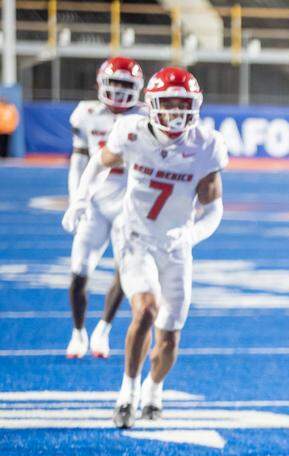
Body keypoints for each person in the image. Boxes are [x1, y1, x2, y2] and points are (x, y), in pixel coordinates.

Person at [63, 66, 228, 427]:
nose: (176, 112)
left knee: (169, 337)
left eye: (183, 104)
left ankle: (154, 389)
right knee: (146, 310)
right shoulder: (131, 131)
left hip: (175, 246)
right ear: (152, 104)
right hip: (134, 236)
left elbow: (214, 210)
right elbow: (99, 163)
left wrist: (191, 235)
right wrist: (80, 199)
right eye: (168, 104)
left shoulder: (206, 145)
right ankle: (128, 393)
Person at [64, 56, 145, 359]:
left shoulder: (146, 118)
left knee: (124, 272)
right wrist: (77, 200)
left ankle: (104, 329)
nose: (121, 90)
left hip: (129, 203)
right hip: (96, 203)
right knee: (78, 273)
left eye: (127, 84)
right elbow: (79, 160)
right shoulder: (86, 114)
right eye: (116, 83)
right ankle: (78, 331)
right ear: (101, 83)